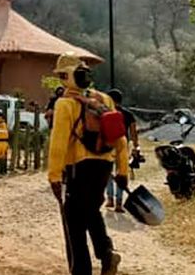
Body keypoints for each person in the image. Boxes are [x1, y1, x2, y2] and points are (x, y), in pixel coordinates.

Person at [48, 53, 129, 275]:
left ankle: (82, 270)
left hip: (78, 167)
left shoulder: (64, 104)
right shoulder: (105, 100)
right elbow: (121, 139)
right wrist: (123, 171)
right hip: (104, 166)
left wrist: (54, 176)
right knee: (92, 210)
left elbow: (59, 143)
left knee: (74, 220)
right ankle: (106, 253)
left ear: (65, 76)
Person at [104, 88, 139, 212]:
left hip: (107, 146)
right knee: (122, 173)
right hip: (123, 146)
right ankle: (119, 202)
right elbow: (134, 132)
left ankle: (110, 199)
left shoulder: (104, 113)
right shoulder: (128, 114)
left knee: (108, 172)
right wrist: (136, 146)